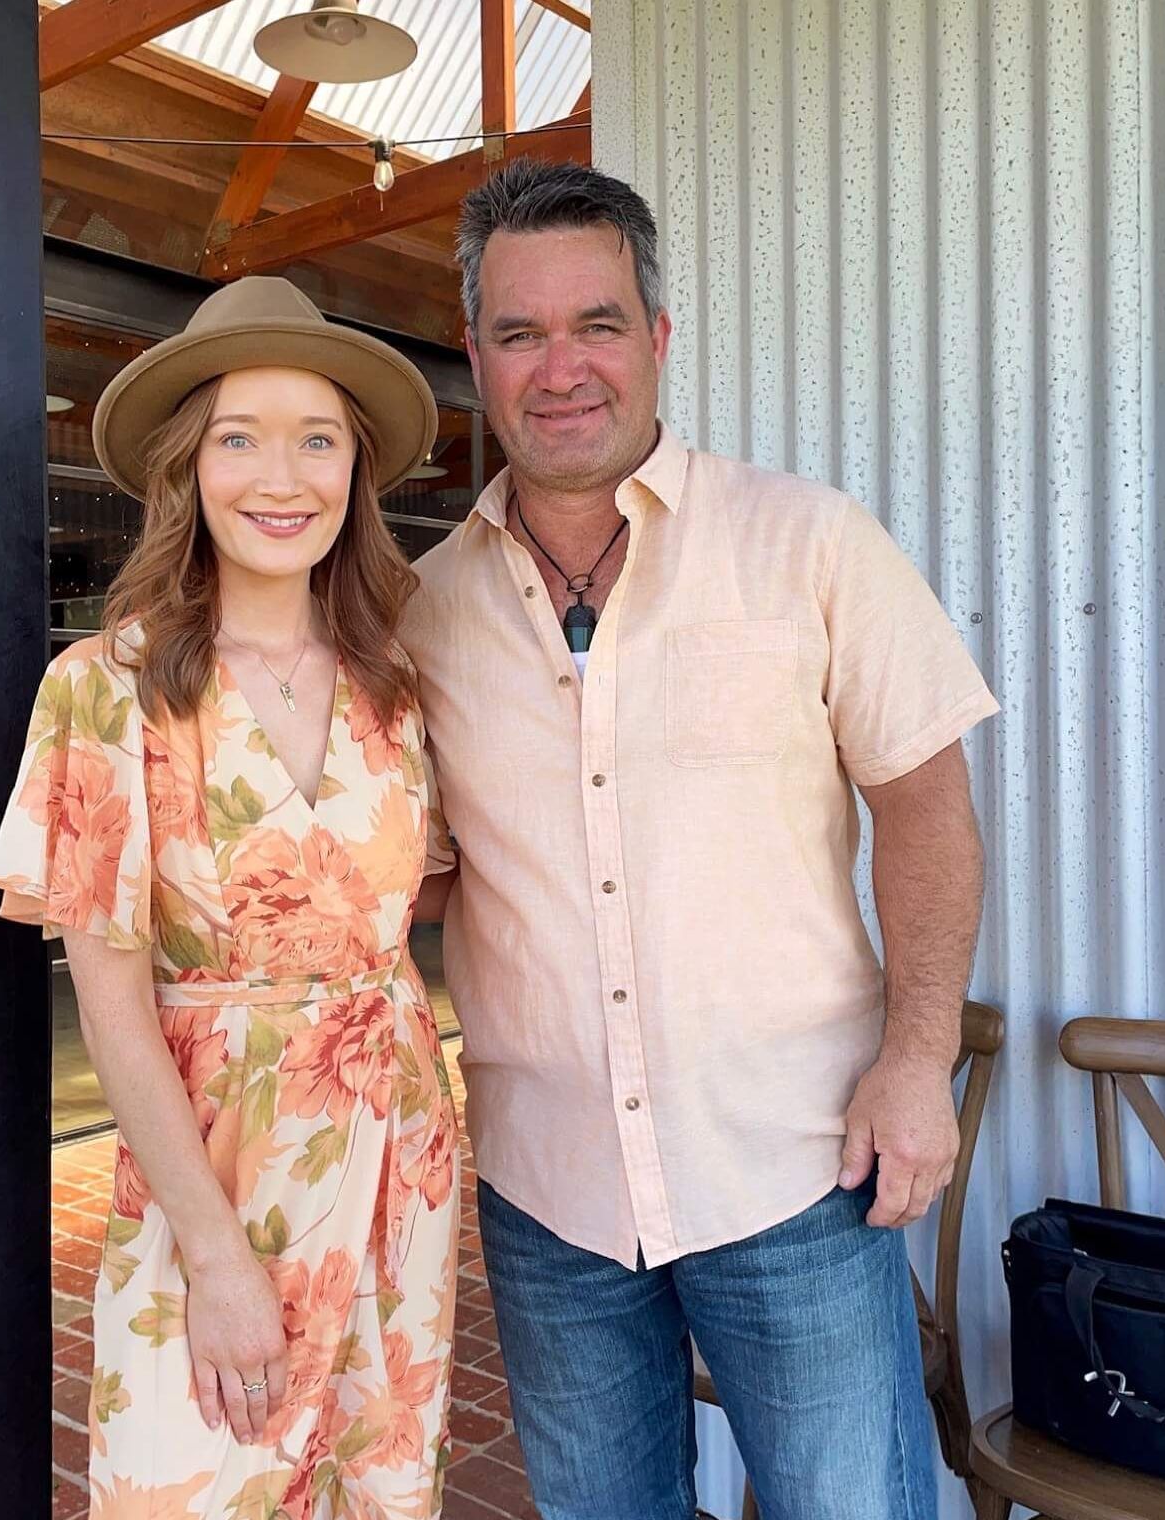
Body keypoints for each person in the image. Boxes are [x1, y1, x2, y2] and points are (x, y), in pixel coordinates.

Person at [404, 160, 998, 1519]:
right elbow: (412, 865)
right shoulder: (423, 611)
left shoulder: (809, 544)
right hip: (548, 1195)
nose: (563, 368)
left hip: (795, 1173)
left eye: (597, 324)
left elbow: (926, 810)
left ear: (657, 340)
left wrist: (917, 1061)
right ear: (477, 357)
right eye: (519, 332)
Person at [0, 278, 460, 1520]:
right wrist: (211, 1250)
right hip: (212, 1172)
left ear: (356, 471)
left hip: (394, 1160)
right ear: (186, 468)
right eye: (237, 437)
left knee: (376, 1485)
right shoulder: (105, 687)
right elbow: (112, 1005)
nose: (279, 473)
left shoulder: (393, 684)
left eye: (317, 437)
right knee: (187, 1482)